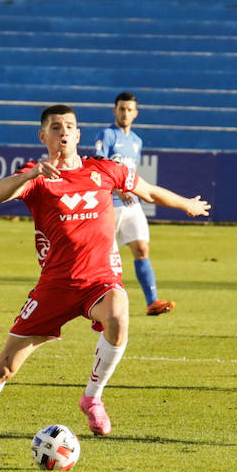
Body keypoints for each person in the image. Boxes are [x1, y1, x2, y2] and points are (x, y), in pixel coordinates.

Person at [0, 104, 211, 454]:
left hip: (98, 281)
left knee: (119, 310)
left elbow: (148, 190)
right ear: (43, 136)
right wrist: (29, 175)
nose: (63, 132)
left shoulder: (104, 170)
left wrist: (185, 204)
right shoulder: (37, 175)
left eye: (69, 126)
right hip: (55, 286)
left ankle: (92, 398)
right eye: (55, 127)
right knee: (5, 366)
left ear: (79, 134)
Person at [93, 92, 175, 316]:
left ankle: (152, 302)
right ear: (114, 111)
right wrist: (119, 188)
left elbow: (133, 171)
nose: (125, 113)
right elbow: (99, 163)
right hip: (109, 204)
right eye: (121, 108)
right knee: (103, 257)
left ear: (135, 113)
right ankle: (97, 303)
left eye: (129, 109)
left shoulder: (137, 141)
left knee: (141, 249)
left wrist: (131, 189)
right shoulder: (107, 135)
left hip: (131, 204)